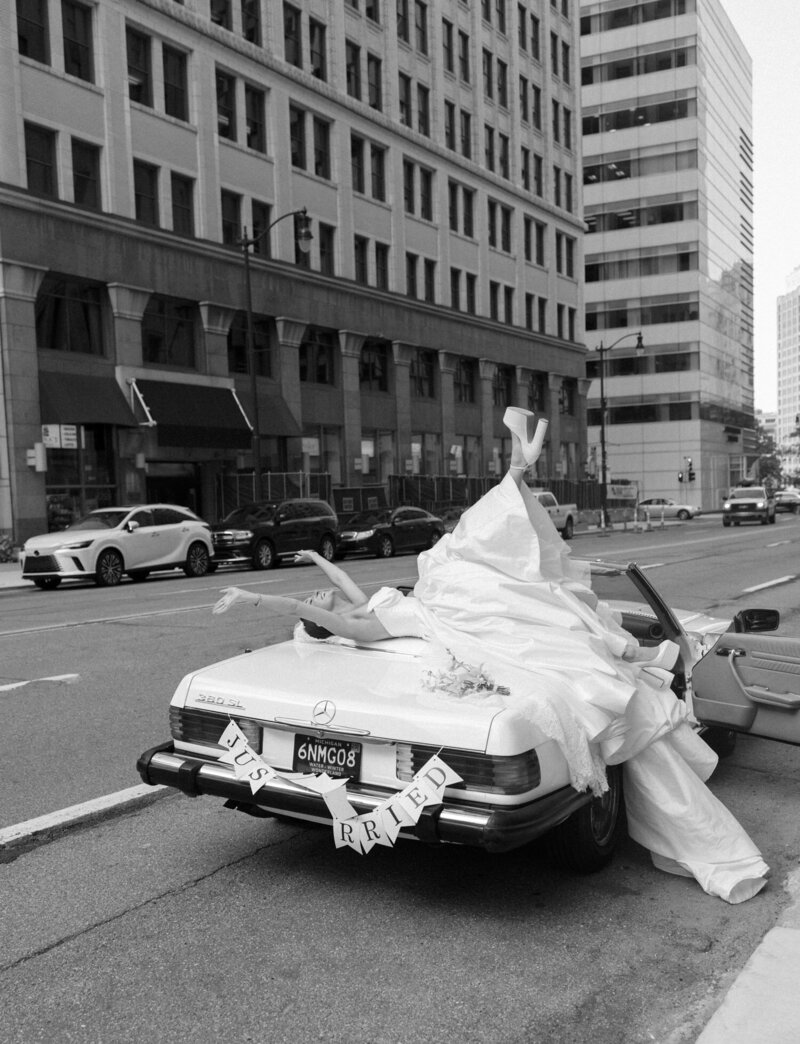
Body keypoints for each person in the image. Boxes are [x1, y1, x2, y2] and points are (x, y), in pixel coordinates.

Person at [214, 407, 769, 904]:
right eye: (313, 604)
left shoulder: (363, 602)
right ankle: (516, 468)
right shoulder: (361, 625)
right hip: (448, 613)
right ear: (325, 620)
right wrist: (259, 596)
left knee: (469, 551)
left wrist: (317, 559)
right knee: (465, 552)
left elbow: (344, 590)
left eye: (314, 594)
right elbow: (338, 615)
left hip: (445, 604)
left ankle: (518, 468)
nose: (316, 597)